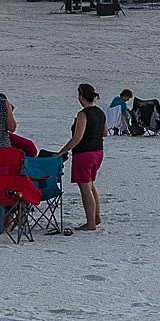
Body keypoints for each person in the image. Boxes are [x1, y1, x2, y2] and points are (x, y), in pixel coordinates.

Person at [56, 83, 108, 231]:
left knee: (85, 189)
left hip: (84, 154)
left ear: (81, 97)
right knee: (91, 185)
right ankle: (96, 217)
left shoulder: (83, 114)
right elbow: (105, 133)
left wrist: (61, 152)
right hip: (98, 152)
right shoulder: (100, 112)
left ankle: (90, 222)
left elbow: (76, 138)